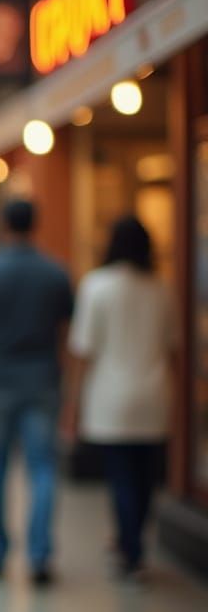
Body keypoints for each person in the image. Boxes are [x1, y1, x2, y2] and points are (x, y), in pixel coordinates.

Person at [0, 199, 73, 585]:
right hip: (42, 379)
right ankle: (40, 554)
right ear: (35, 224)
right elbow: (65, 336)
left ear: (4, 223)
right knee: (43, 468)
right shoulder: (56, 273)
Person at [64, 216, 177, 580]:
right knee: (146, 477)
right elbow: (173, 348)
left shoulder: (96, 286)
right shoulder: (161, 287)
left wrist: (73, 404)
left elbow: (83, 351)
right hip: (155, 393)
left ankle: (130, 551)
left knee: (121, 477)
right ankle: (133, 542)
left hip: (110, 397)